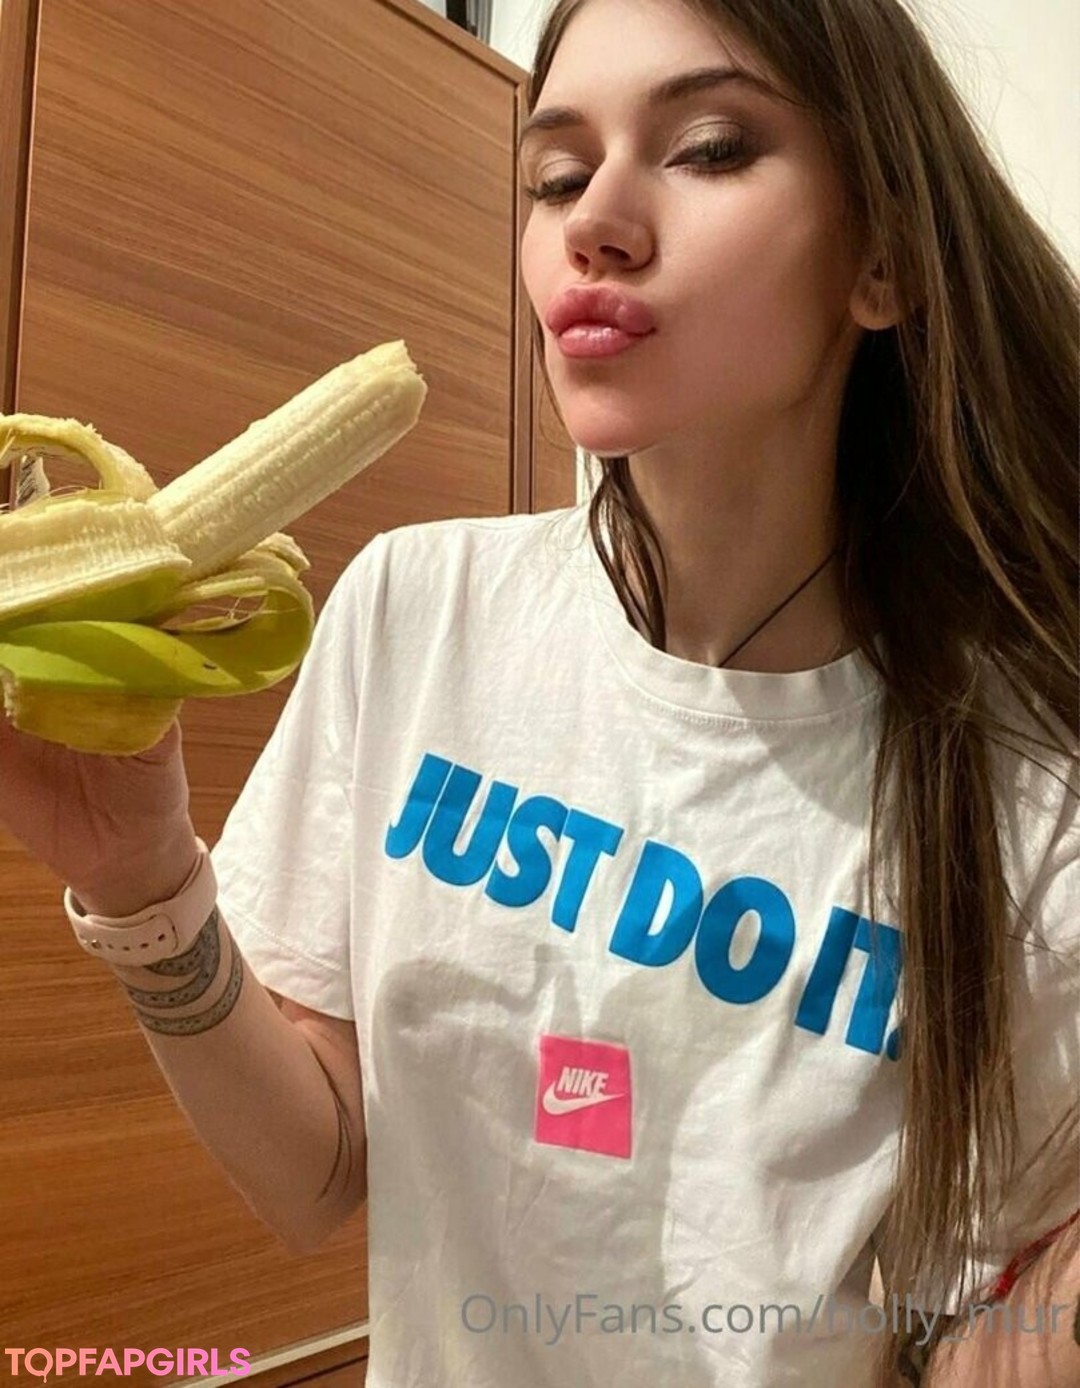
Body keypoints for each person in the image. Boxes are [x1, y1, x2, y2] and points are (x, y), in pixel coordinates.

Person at [0, 0, 1075, 1385]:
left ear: (884, 259)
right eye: (558, 175)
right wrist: (143, 880)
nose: (596, 222)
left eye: (709, 147)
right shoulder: (416, 610)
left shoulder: (1022, 783)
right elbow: (315, 1176)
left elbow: (979, 1331)